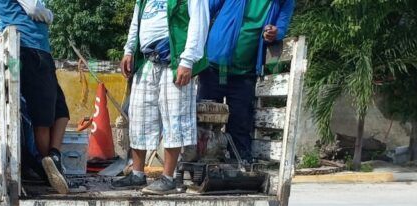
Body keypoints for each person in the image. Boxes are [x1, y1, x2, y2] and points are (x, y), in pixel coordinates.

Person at [112, 0, 210, 194]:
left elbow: (199, 22)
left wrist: (188, 60)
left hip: (174, 62)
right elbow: (136, 21)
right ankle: (138, 174)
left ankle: (168, 178)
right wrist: (129, 50)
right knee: (138, 118)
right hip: (147, 61)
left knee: (175, 119)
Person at [0, 0, 71, 194]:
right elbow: (34, 9)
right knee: (43, 120)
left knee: (61, 111)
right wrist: (50, 15)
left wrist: (6, 31)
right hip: (34, 51)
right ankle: (48, 168)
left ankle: (53, 157)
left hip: (21, 53)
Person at [199, 0, 294, 161]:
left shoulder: (284, 1)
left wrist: (274, 33)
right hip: (214, 67)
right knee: (204, 121)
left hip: (245, 72)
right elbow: (204, 10)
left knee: (240, 124)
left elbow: (282, 26)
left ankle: (239, 171)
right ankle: (200, 169)